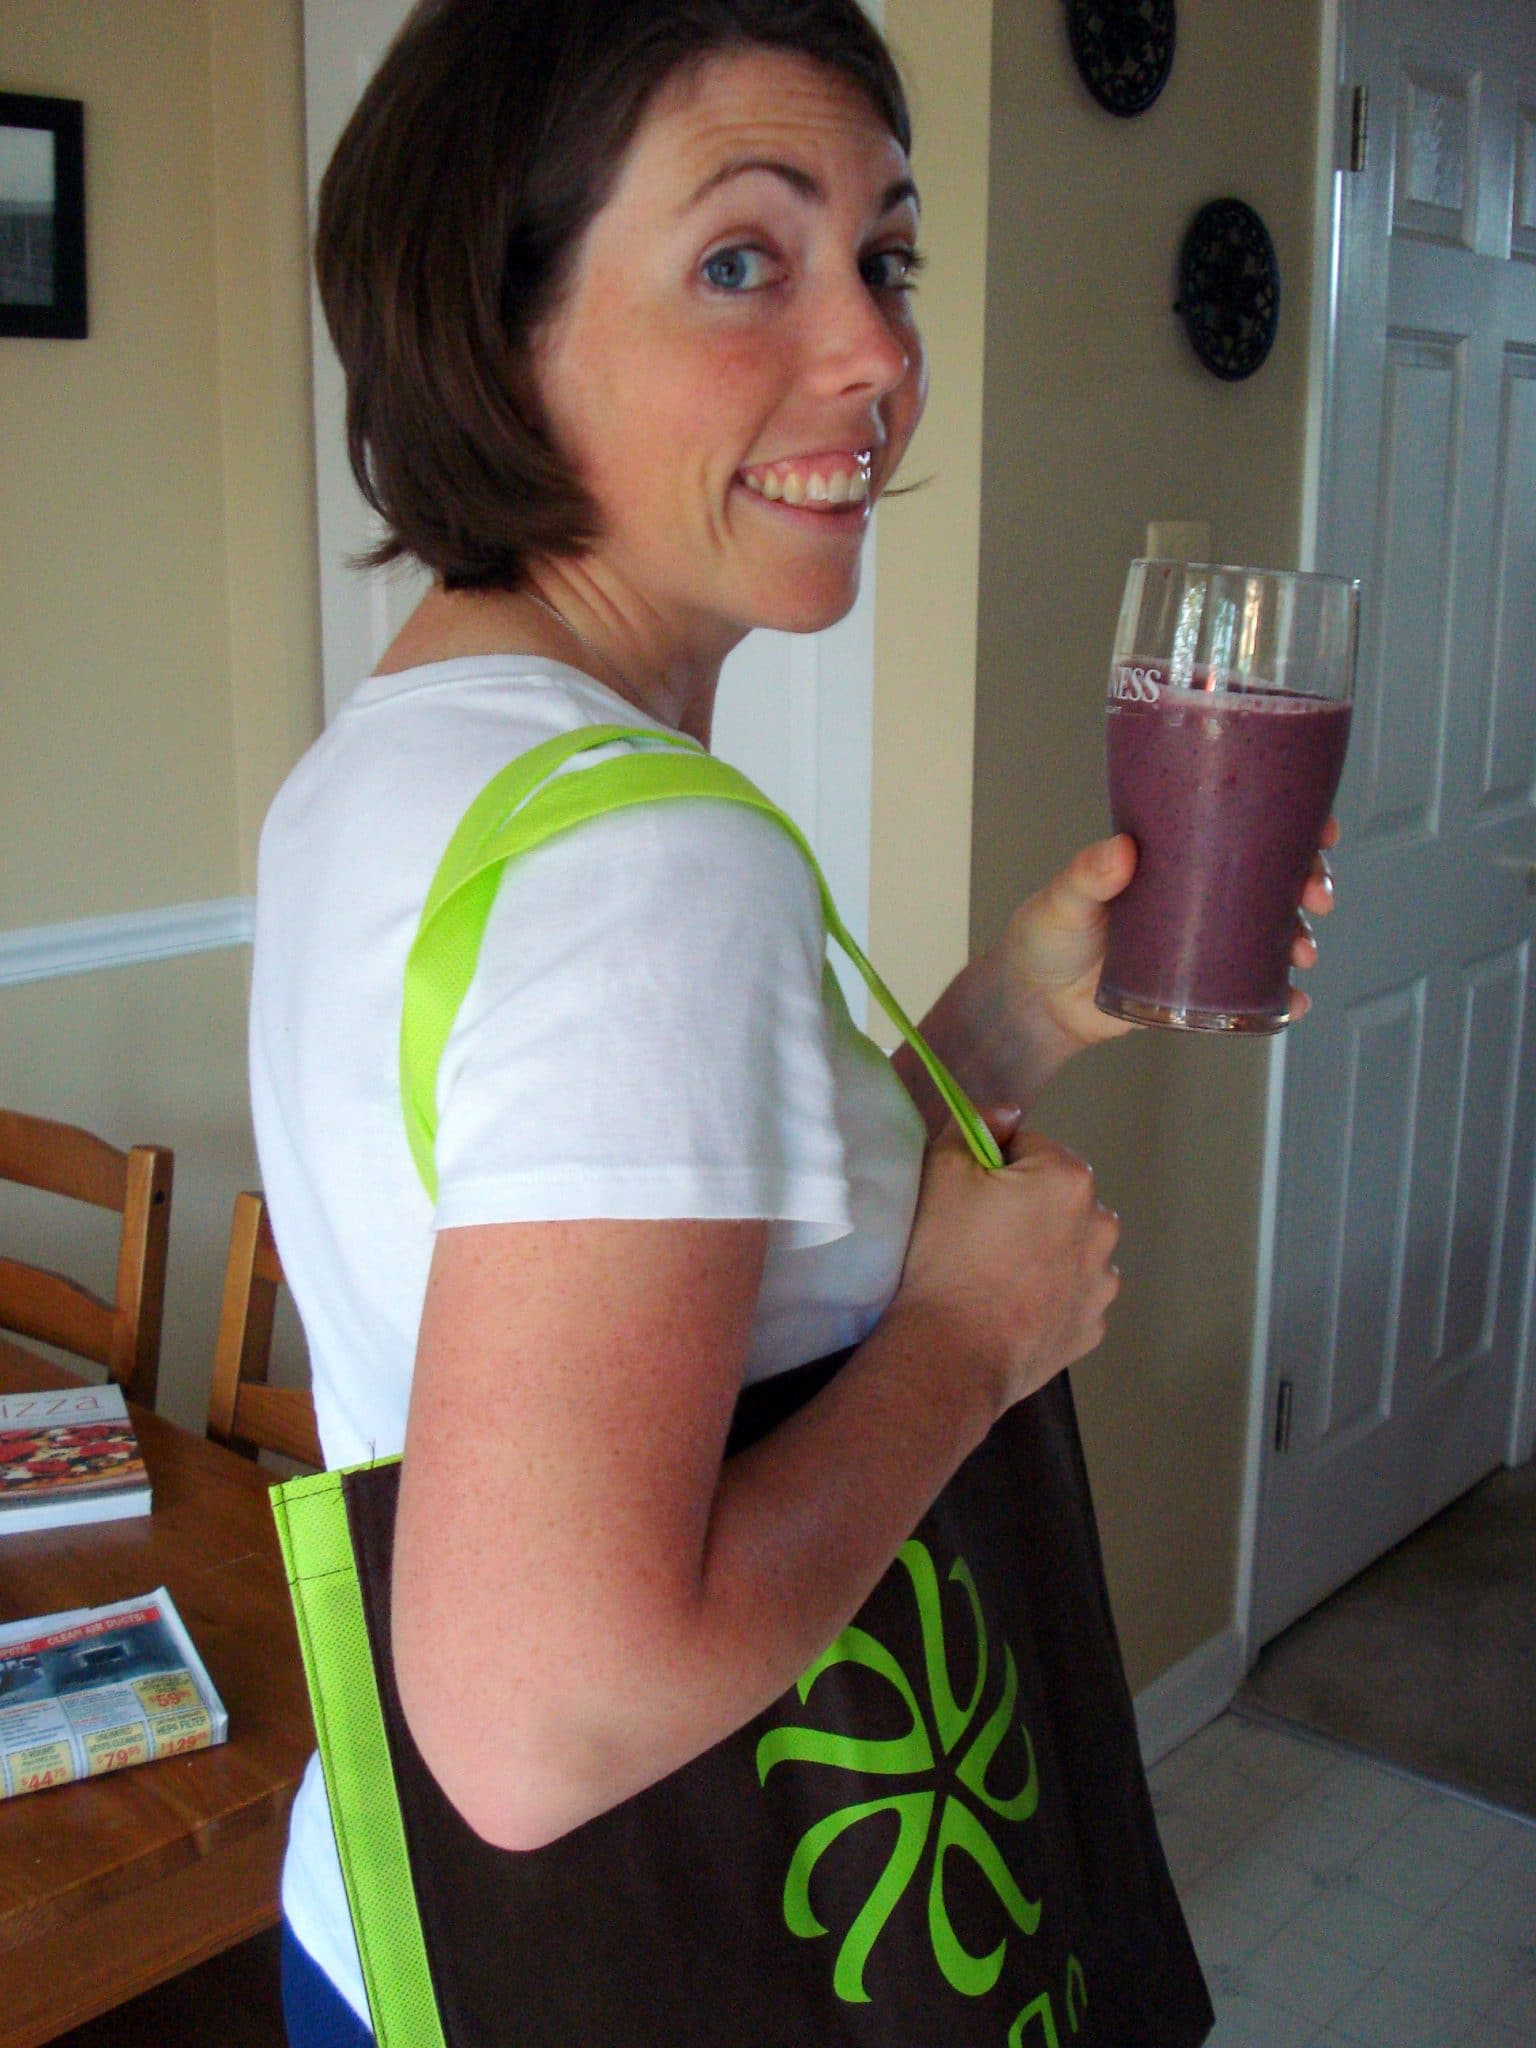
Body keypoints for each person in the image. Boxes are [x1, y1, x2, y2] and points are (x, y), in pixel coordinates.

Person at [250, 3, 1336, 2041]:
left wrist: (1007, 1022)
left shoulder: (403, 761)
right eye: (744, 258)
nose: (875, 352)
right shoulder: (655, 861)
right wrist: (978, 1337)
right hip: (664, 1948)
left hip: (402, 1936)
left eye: (886, 257)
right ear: (499, 321)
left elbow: (688, 1265)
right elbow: (546, 1723)